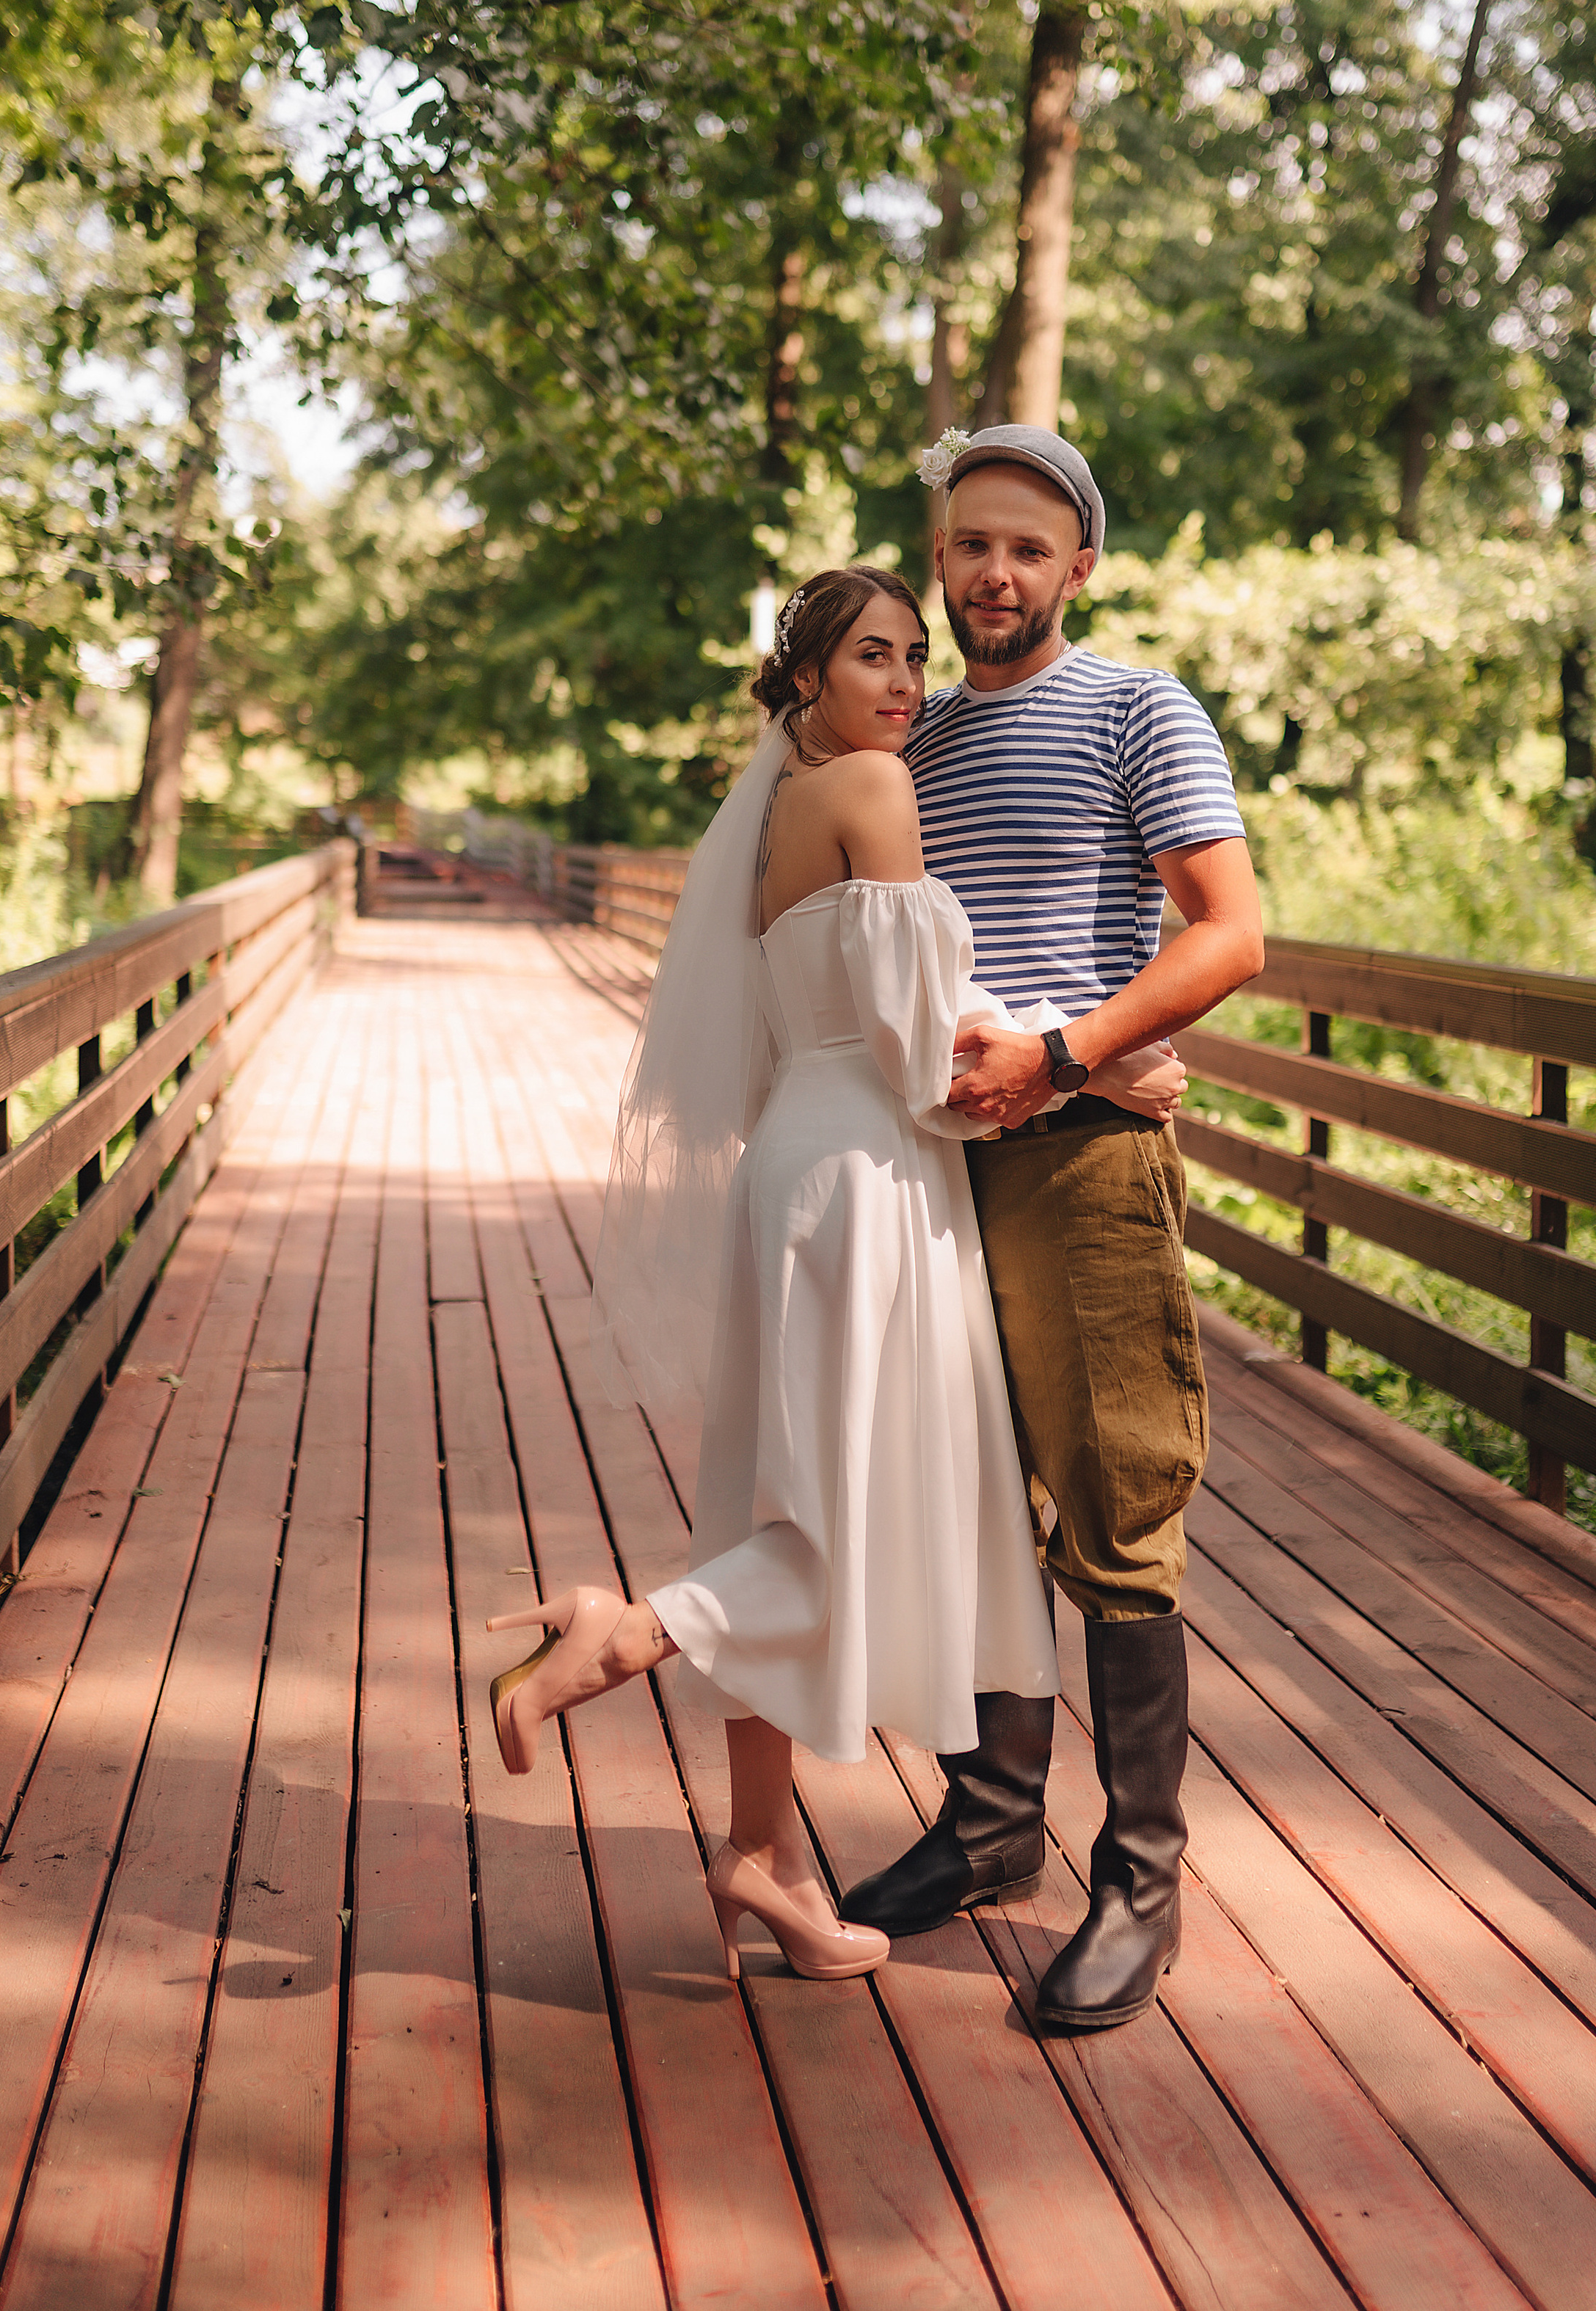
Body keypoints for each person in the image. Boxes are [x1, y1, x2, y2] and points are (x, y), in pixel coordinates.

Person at [482, 564, 1185, 1987]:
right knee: (852, 1515)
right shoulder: (872, 792)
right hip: (870, 1174)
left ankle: (763, 1855)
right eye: (872, 656)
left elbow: (796, 1035)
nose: (903, 686)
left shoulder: (765, 820)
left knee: (782, 1487)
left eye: (914, 660)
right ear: (803, 674)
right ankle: (620, 1631)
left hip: (793, 1160)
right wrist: (1102, 1059)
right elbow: (931, 1052)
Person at [839, 424, 1264, 2037]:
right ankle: (991, 1822)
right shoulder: (913, 736)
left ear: (1077, 564)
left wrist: (1072, 1051)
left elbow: (1232, 932)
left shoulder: (1136, 705)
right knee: (970, 1502)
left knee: (1115, 1508)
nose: (991, 574)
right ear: (937, 558)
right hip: (934, 1166)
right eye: (967, 546)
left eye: (1025, 547)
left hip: (1078, 1154)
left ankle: (1140, 1874)